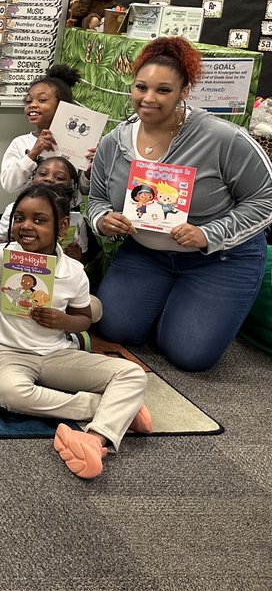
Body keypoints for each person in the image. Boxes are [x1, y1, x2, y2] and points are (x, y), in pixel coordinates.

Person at [89, 37, 272, 371]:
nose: (148, 98)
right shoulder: (114, 142)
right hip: (147, 254)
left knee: (190, 355)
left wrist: (209, 234)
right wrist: (103, 219)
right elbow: (97, 199)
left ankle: (184, 313)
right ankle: (170, 305)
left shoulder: (222, 138)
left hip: (220, 259)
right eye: (141, 87)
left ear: (184, 91)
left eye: (163, 90)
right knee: (114, 328)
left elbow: (265, 199)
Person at [0, 185, 151, 479]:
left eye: (39, 220)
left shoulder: (73, 271)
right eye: (19, 218)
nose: (26, 226)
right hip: (6, 351)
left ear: (62, 226)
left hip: (56, 353)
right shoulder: (0, 255)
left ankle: (97, 437)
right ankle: (111, 409)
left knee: (132, 373)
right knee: (11, 395)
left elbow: (84, 319)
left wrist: (62, 320)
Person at [1, 65, 84, 196]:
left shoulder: (79, 143)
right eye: (28, 101)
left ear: (62, 105)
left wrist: (89, 171)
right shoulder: (20, 143)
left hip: (68, 207)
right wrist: (33, 153)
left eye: (42, 100)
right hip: (29, 206)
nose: (33, 105)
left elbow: (84, 189)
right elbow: (9, 184)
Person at [0, 156, 90, 261]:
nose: (49, 179)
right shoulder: (13, 209)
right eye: (43, 174)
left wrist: (76, 256)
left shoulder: (76, 219)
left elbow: (82, 251)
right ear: (32, 178)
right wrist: (10, 244)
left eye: (59, 177)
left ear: (71, 185)